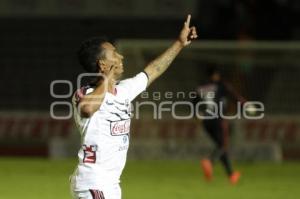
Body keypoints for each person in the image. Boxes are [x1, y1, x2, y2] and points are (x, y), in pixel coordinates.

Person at [70, 15, 198, 199]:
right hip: (92, 183)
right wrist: (107, 79)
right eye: (114, 54)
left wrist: (179, 43)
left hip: (111, 184)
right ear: (102, 64)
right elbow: (87, 109)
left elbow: (154, 69)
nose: (120, 56)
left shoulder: (124, 90)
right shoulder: (84, 93)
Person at [195, 67, 246, 185]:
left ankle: (231, 174)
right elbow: (234, 96)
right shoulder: (221, 85)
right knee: (223, 145)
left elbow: (193, 103)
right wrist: (245, 104)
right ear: (216, 75)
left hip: (205, 121)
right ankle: (210, 162)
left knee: (220, 147)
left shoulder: (200, 87)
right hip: (218, 119)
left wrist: (196, 116)